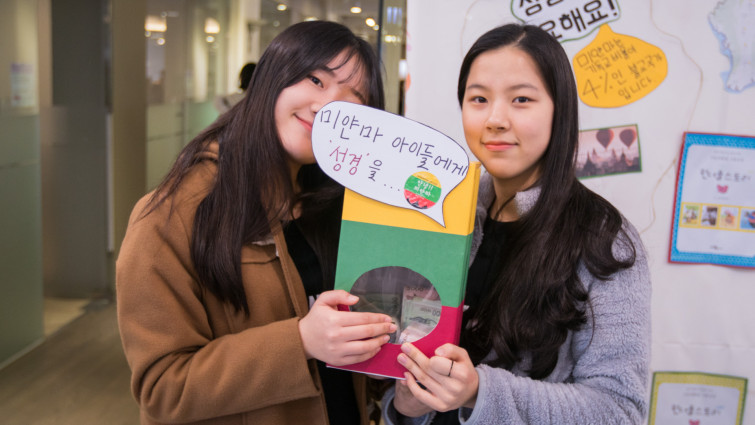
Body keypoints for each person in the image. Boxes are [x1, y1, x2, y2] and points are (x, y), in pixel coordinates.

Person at [116, 21, 394, 425]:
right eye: (316, 80)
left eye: (353, 100)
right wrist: (300, 341)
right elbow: (162, 390)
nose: (327, 108)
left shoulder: (333, 205)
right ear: (270, 78)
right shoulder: (171, 215)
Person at [381, 23, 651, 424]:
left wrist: (479, 392)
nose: (495, 119)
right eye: (478, 99)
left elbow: (620, 409)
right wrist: (404, 406)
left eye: (521, 99)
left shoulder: (604, 238)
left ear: (559, 110)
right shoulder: (440, 211)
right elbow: (409, 358)